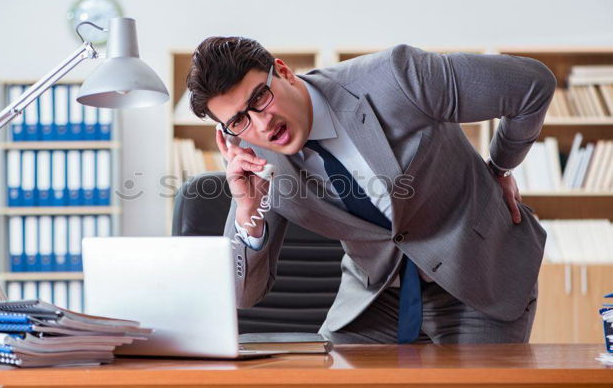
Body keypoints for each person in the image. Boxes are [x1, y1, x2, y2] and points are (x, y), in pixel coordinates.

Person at [186, 36, 556, 344]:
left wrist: (500, 166)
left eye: (260, 97)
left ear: (283, 72)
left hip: (478, 277)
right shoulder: (257, 163)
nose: (262, 124)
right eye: (239, 120)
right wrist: (248, 212)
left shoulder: (396, 79)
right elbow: (242, 295)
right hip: (377, 299)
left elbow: (531, 85)